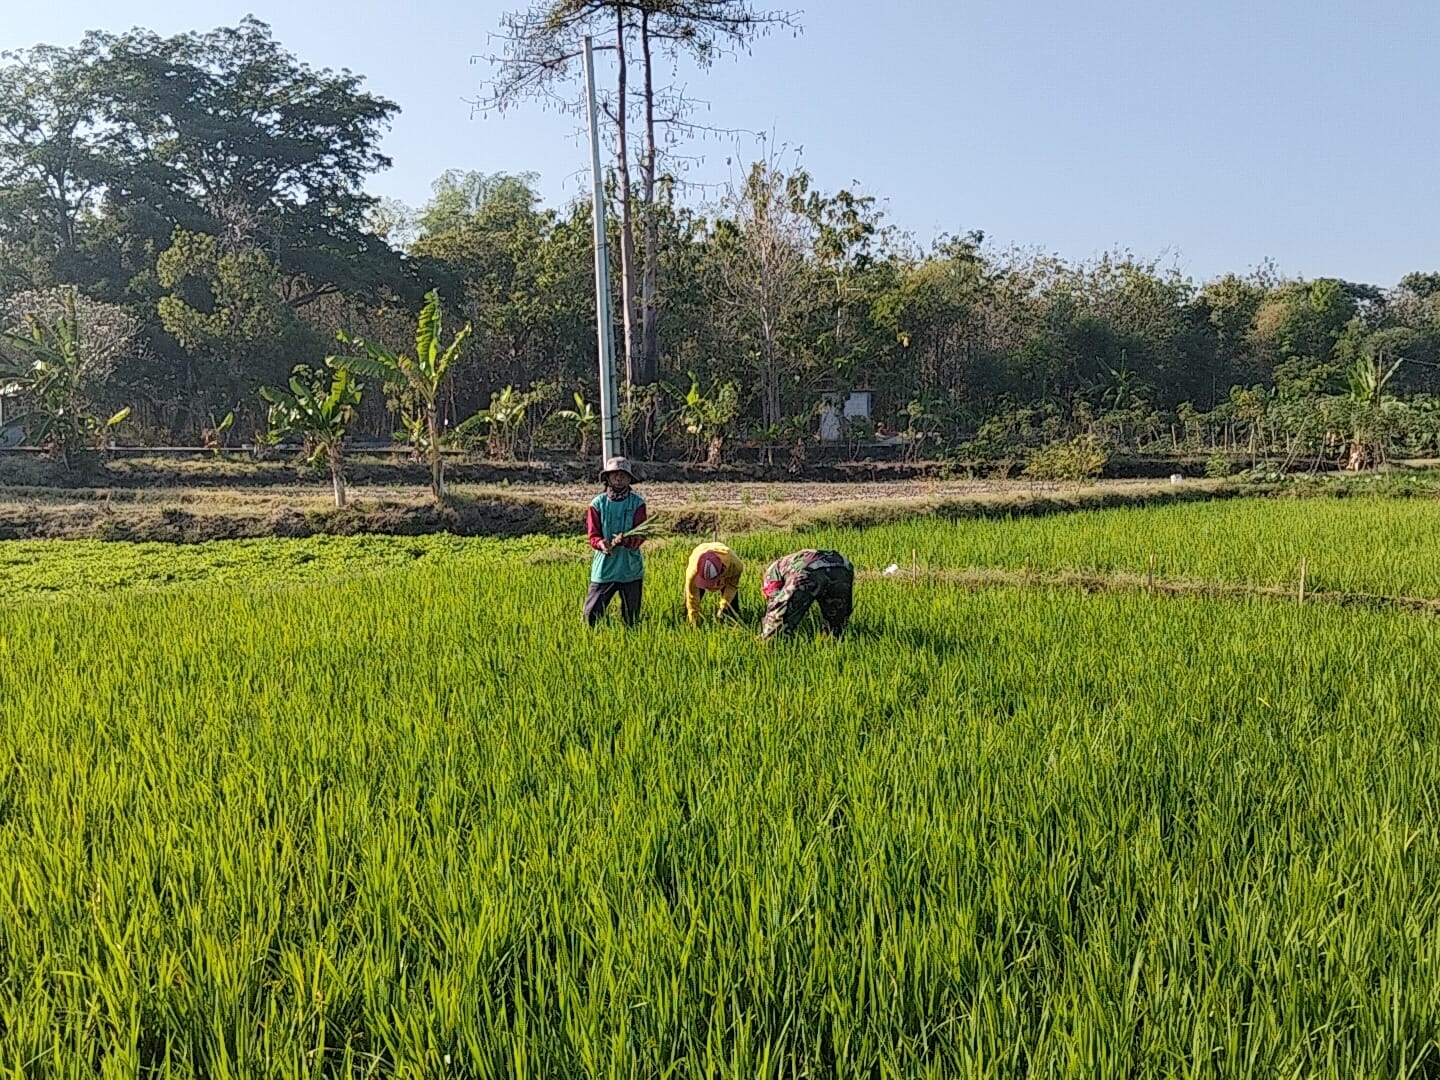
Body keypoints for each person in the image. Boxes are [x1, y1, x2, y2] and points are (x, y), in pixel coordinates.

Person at [583, 457, 647, 626]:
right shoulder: (597, 504)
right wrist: (601, 544)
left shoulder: (637, 504)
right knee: (590, 616)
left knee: (631, 619)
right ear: (608, 478)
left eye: (623, 475)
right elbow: (593, 535)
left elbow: (641, 534)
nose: (619, 478)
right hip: (605, 568)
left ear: (629, 479)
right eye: (614, 474)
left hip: (630, 568)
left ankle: (632, 640)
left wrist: (626, 541)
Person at [759, 549, 854, 640]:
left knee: (775, 627)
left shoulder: (772, 571)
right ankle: (831, 644)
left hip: (808, 569)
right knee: (836, 623)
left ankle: (769, 644)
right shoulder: (789, 561)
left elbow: (775, 599)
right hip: (842, 566)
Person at [684, 542, 743, 626]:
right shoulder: (693, 572)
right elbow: (692, 597)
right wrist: (694, 622)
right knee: (688, 604)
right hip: (700, 552)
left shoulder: (735, 565)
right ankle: (687, 620)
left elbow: (731, 586)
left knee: (731, 607)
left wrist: (724, 607)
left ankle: (732, 621)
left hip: (727, 574)